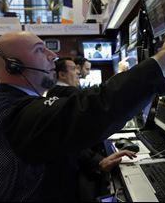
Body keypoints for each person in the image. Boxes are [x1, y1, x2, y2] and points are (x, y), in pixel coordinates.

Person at [0, 21, 165, 201]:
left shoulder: (4, 104)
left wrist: (97, 162)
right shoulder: (16, 114)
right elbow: (97, 106)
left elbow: (56, 141)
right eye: (39, 50)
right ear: (14, 66)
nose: (52, 55)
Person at [47, 57, 137, 201]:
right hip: (76, 176)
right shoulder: (69, 94)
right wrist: (98, 162)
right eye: (73, 69)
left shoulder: (54, 93)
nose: (78, 72)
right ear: (61, 75)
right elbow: (73, 139)